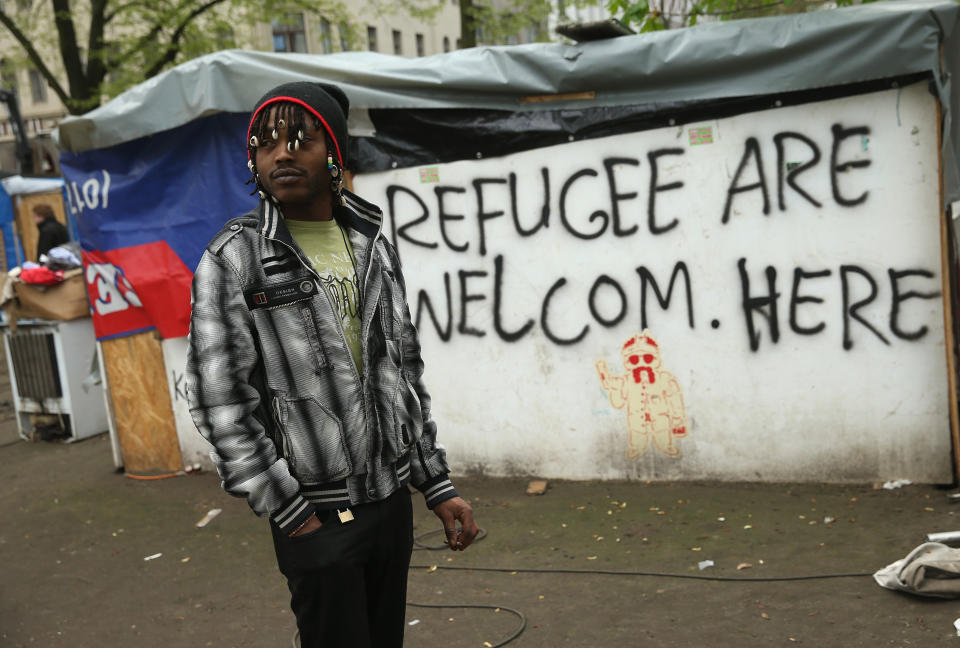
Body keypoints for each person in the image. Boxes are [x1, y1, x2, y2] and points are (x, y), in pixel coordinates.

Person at [185, 81, 478, 648]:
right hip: (315, 514)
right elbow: (218, 399)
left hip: (390, 505)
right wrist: (288, 508)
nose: (282, 153)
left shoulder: (371, 245)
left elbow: (402, 373)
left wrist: (436, 486)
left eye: (301, 139)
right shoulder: (235, 258)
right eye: (266, 144)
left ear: (335, 154)